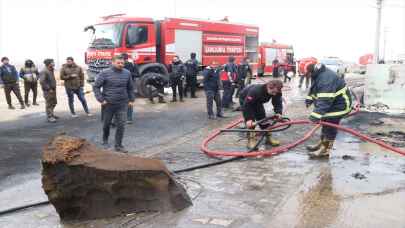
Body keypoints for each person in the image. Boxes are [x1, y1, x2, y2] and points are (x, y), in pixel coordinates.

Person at [305, 63, 352, 159]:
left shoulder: (326, 79)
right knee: (325, 123)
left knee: (330, 127)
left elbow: (324, 100)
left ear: (311, 71)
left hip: (339, 106)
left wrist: (314, 116)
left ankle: (325, 151)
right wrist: (309, 99)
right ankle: (322, 144)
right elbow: (314, 89)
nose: (306, 76)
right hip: (332, 103)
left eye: (307, 73)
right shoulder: (318, 73)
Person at [93, 55, 134, 153]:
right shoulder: (105, 73)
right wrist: (101, 99)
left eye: (122, 63)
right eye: (118, 63)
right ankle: (105, 139)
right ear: (113, 62)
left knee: (121, 125)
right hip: (108, 104)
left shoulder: (127, 73)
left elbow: (130, 87)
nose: (121, 65)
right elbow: (96, 87)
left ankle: (118, 145)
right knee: (106, 124)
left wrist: (131, 99)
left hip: (122, 103)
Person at [240, 80, 283, 149]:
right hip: (246, 100)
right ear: (268, 87)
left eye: (276, 92)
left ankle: (268, 139)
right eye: (273, 92)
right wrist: (249, 119)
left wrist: (278, 112)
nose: (274, 94)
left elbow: (277, 102)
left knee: (262, 118)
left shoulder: (277, 91)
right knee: (251, 123)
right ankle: (251, 141)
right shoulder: (256, 91)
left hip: (258, 101)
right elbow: (247, 105)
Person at [122, 53, 139, 124]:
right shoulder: (132, 64)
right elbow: (137, 74)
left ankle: (127, 118)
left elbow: (137, 74)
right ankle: (128, 119)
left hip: (124, 86)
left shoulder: (131, 65)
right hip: (128, 86)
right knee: (129, 102)